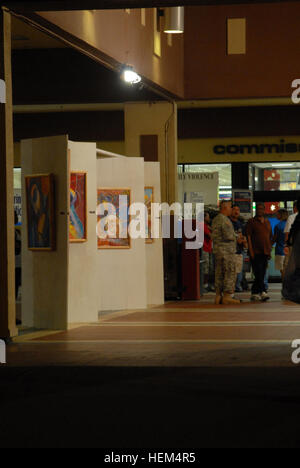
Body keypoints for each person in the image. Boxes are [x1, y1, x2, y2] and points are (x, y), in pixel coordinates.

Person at [211, 200, 240, 305]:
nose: (231, 209)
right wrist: (238, 237)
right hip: (227, 252)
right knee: (229, 273)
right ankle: (227, 296)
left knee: (219, 274)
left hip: (218, 251)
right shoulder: (225, 220)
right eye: (230, 207)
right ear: (225, 208)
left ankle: (218, 296)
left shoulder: (215, 219)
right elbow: (228, 236)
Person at [246, 203, 272, 302]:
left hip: (265, 251)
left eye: (261, 209)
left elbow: (269, 237)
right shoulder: (251, 222)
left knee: (262, 273)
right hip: (255, 251)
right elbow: (248, 237)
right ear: (256, 210)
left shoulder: (267, 222)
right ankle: (263, 291)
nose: (260, 210)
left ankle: (255, 292)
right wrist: (251, 251)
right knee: (258, 272)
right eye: (258, 209)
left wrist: (269, 251)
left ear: (264, 210)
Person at [282, 199, 300, 303]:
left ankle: (289, 291)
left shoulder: (293, 217)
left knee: (291, 269)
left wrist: (287, 244)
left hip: (295, 247)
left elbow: (289, 232)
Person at [229, 205, 248, 293]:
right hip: (230, 251)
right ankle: (230, 288)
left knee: (239, 271)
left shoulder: (240, 224)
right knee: (230, 271)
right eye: (234, 209)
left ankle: (237, 286)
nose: (236, 212)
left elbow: (243, 235)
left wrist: (244, 241)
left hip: (239, 251)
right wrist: (237, 239)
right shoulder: (228, 222)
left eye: (238, 210)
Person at [283, 200, 299, 275]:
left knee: (288, 266)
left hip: (293, 245)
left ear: (295, 207)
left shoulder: (292, 217)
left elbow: (287, 233)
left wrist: (286, 245)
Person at [273, 209, 288, 279]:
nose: (276, 215)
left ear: (281, 215)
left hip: (280, 250)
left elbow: (274, 239)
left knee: (282, 271)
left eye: (277, 214)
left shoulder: (278, 226)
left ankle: (285, 287)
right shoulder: (290, 225)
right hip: (289, 251)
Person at [202, 211, 214, 292]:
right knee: (205, 267)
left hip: (208, 248)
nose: (209, 219)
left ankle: (206, 284)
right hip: (205, 248)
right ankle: (204, 285)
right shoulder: (202, 225)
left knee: (209, 267)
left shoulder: (206, 225)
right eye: (208, 217)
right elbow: (211, 235)